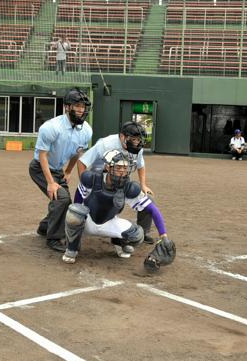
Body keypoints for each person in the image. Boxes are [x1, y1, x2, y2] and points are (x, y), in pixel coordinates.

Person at [62, 149, 168, 264]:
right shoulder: (91, 179)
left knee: (137, 235)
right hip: (88, 221)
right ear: (108, 167)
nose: (122, 171)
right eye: (118, 168)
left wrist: (164, 236)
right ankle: (72, 247)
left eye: (125, 168)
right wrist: (77, 225)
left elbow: (153, 209)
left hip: (109, 222)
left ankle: (118, 242)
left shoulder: (129, 188)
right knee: (74, 214)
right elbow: (77, 202)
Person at [29, 88, 92, 252]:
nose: (80, 109)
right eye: (77, 105)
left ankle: (44, 226)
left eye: (83, 106)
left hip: (58, 170)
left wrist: (69, 171)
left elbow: (78, 153)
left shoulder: (86, 130)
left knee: (66, 203)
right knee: (61, 199)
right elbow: (42, 155)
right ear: (66, 107)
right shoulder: (51, 127)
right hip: (40, 168)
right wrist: (50, 182)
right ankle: (53, 239)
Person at [77, 121, 156, 244]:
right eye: (133, 139)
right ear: (122, 137)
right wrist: (85, 184)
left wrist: (143, 185)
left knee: (146, 198)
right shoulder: (105, 144)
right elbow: (83, 161)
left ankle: (141, 233)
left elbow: (140, 165)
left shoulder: (136, 147)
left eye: (139, 139)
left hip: (121, 180)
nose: (137, 142)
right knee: (81, 211)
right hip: (101, 178)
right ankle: (75, 226)